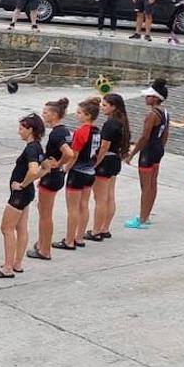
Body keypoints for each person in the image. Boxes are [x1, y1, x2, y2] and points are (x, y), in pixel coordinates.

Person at [0, 114, 45, 279]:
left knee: (6, 228)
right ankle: (17, 263)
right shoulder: (38, 146)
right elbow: (46, 168)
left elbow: (35, 170)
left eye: (21, 128)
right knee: (21, 228)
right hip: (26, 194)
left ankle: (7, 267)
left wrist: (23, 184)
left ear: (30, 130)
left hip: (20, 194)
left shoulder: (31, 149)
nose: (18, 132)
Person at [53, 98, 101, 251]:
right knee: (84, 205)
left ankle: (69, 240)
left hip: (78, 172)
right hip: (90, 171)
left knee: (72, 208)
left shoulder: (81, 131)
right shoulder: (96, 131)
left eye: (79, 113)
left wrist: (65, 169)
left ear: (87, 115)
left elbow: (74, 154)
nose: (77, 115)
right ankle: (79, 237)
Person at [30, 97, 74, 261]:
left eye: (46, 112)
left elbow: (69, 153)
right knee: (44, 212)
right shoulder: (64, 130)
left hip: (52, 176)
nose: (43, 115)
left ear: (55, 114)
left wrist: (58, 164)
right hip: (56, 176)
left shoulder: (56, 134)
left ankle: (44, 249)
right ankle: (42, 242)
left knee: (45, 215)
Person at [123, 80, 170, 229]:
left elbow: (144, 137)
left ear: (155, 98)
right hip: (157, 149)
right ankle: (146, 215)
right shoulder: (166, 112)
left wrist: (132, 154)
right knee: (153, 183)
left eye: (148, 96)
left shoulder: (151, 114)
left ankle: (142, 219)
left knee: (145, 186)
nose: (146, 99)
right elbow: (166, 133)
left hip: (148, 151)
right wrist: (161, 148)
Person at [89, 93, 130, 240]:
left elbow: (104, 147)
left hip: (105, 162)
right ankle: (105, 227)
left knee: (100, 198)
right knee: (109, 196)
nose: (102, 107)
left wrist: (95, 163)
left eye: (105, 105)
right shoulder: (122, 121)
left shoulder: (110, 124)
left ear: (114, 107)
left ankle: (96, 230)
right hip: (115, 161)